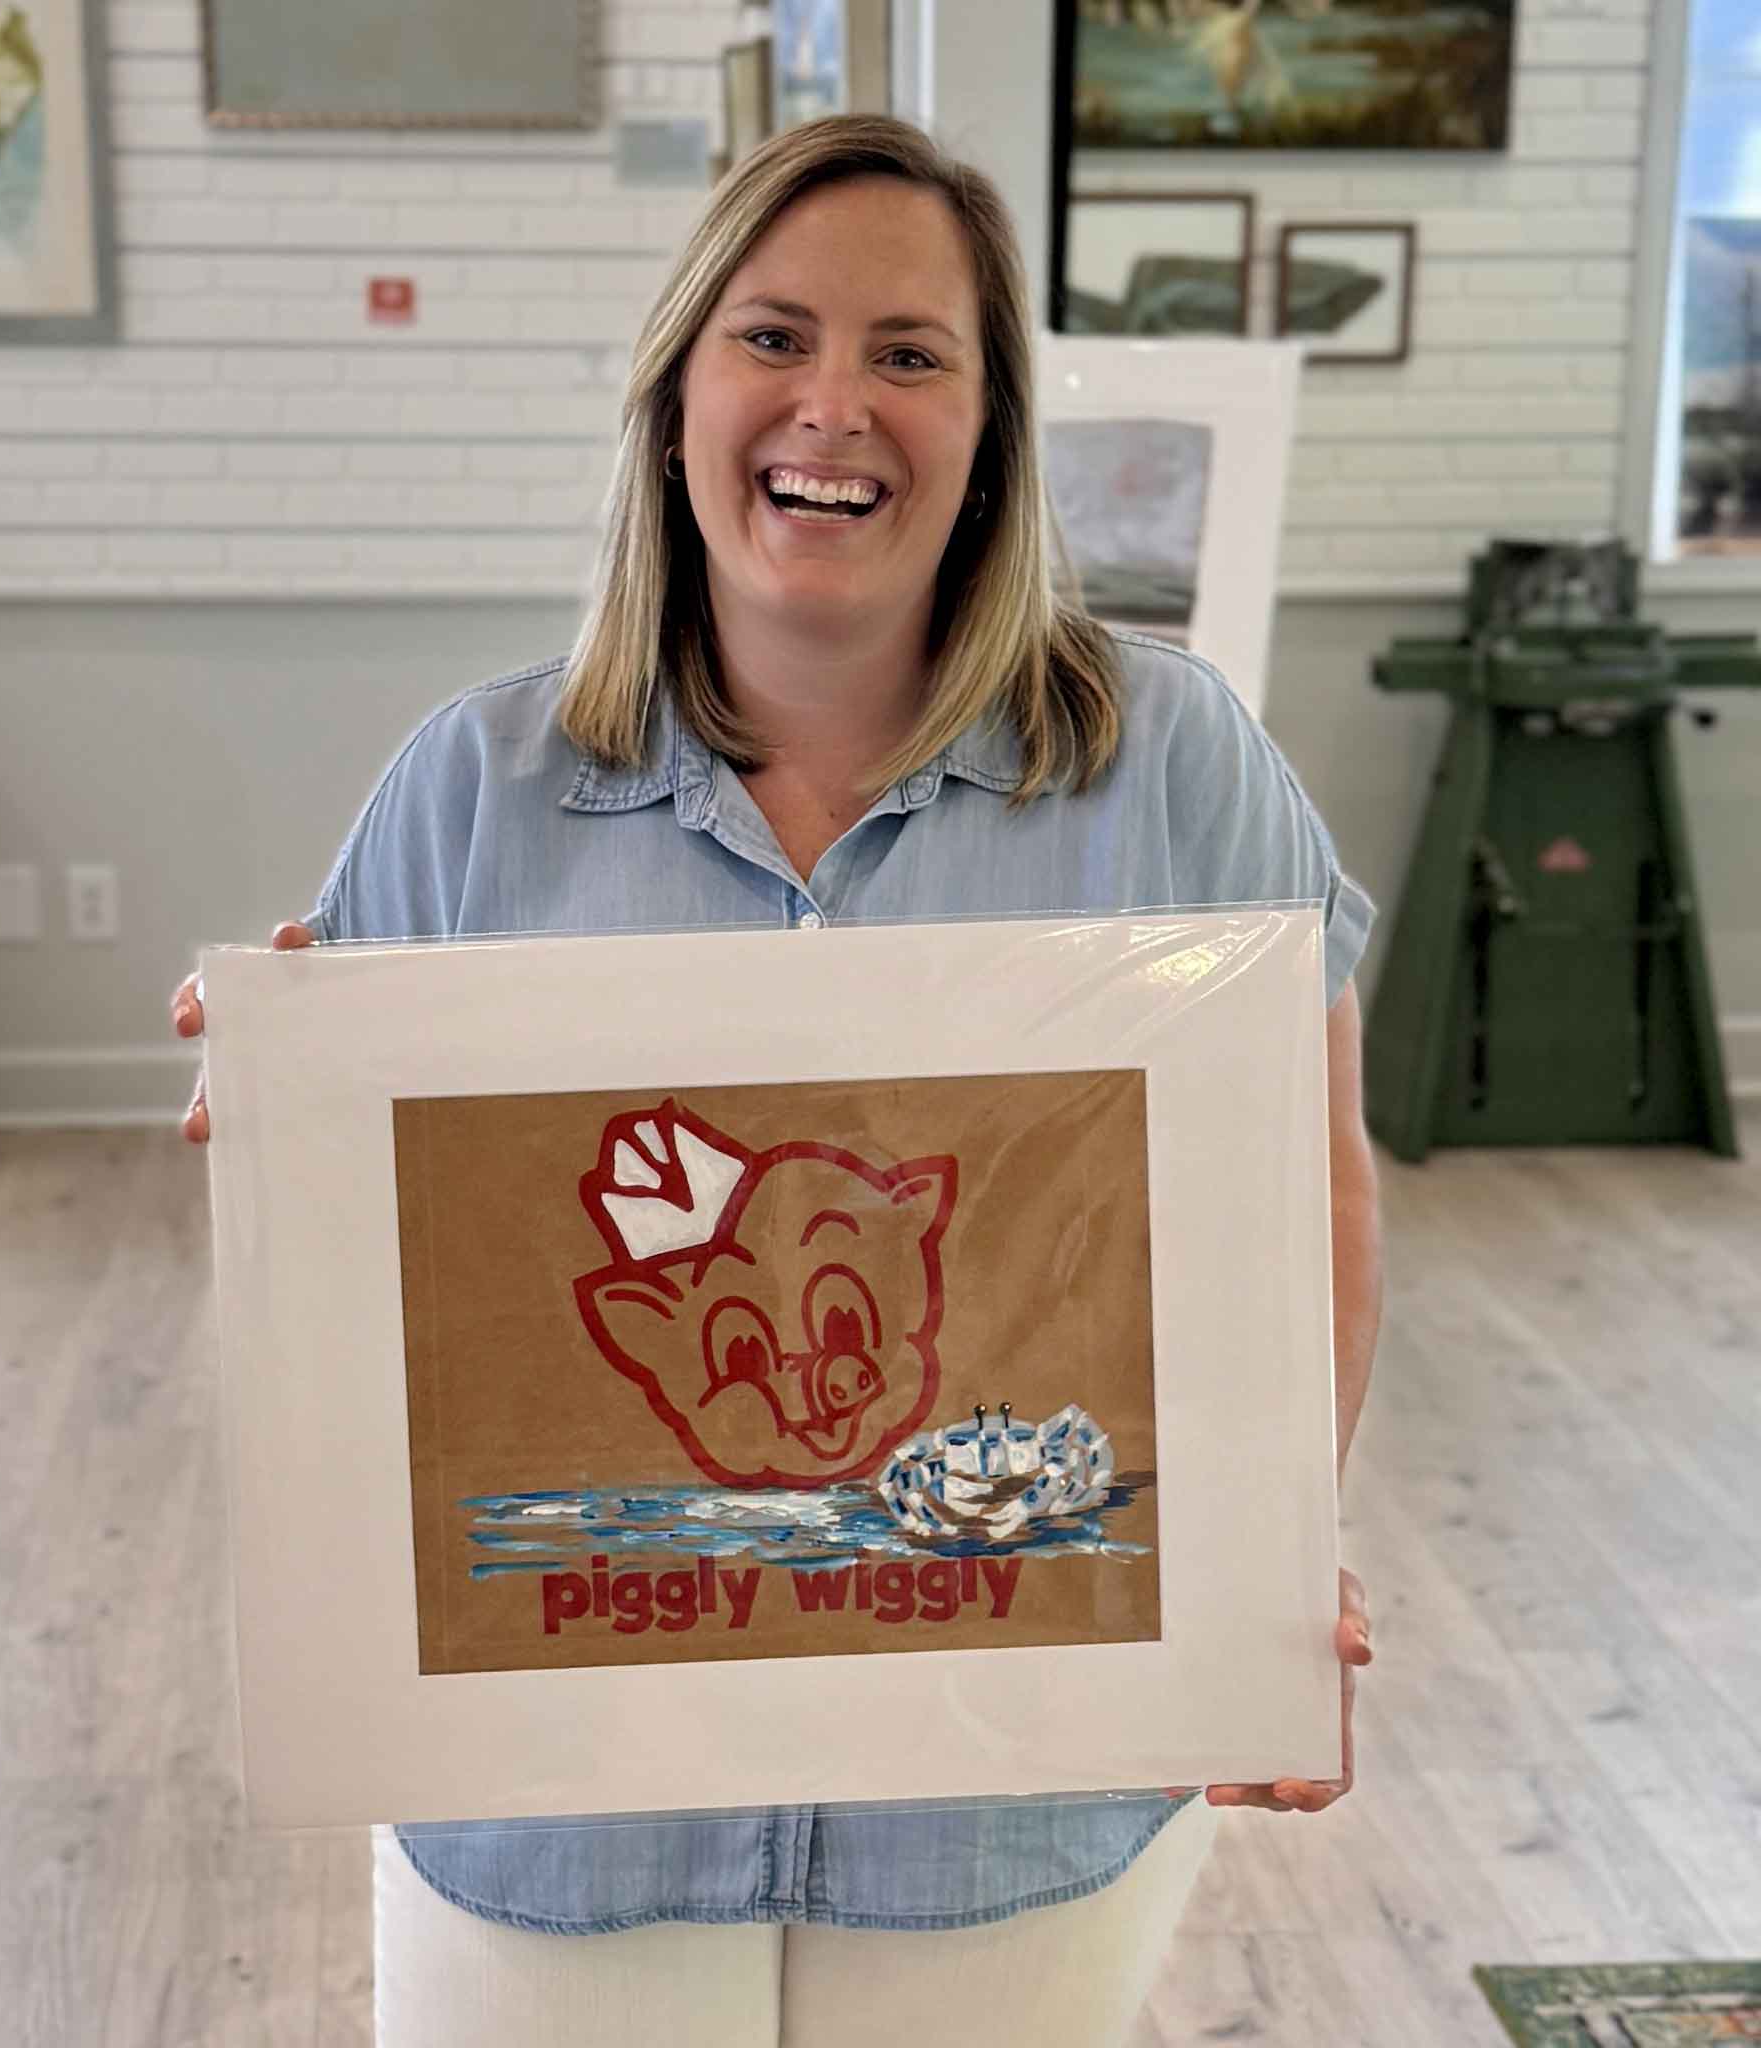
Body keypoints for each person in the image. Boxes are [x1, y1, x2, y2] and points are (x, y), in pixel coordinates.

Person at [175, 113, 1379, 2048]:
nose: (838, 404)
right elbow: (380, 1317)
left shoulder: (1174, 762)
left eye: (914, 354)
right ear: (676, 397)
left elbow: (1307, 1200)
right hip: (562, 1809)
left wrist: (1256, 1567)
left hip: (1009, 1796)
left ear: (989, 432)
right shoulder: (469, 792)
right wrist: (295, 1119)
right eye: (774, 336)